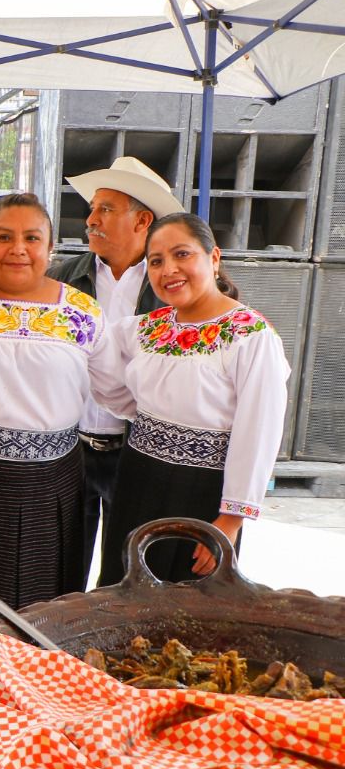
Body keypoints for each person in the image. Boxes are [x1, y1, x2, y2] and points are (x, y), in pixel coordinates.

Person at [0, 193, 122, 665]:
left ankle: (34, 716)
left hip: (51, 487)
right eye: (4, 237)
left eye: (32, 238)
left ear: (51, 248)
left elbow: (117, 394)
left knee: (39, 620)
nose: (18, 249)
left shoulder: (82, 313)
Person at [97, 213, 290, 585]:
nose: (169, 269)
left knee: (183, 602)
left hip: (202, 492)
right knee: (121, 590)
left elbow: (259, 429)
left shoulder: (250, 335)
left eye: (181, 254)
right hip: (137, 476)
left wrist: (231, 519)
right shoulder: (147, 328)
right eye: (156, 261)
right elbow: (101, 364)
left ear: (214, 258)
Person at [48, 157, 185, 584]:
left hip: (137, 454)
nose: (90, 220)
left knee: (126, 576)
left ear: (142, 219)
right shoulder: (60, 281)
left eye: (105, 209)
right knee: (60, 573)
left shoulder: (172, 288)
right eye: (92, 208)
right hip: (68, 450)